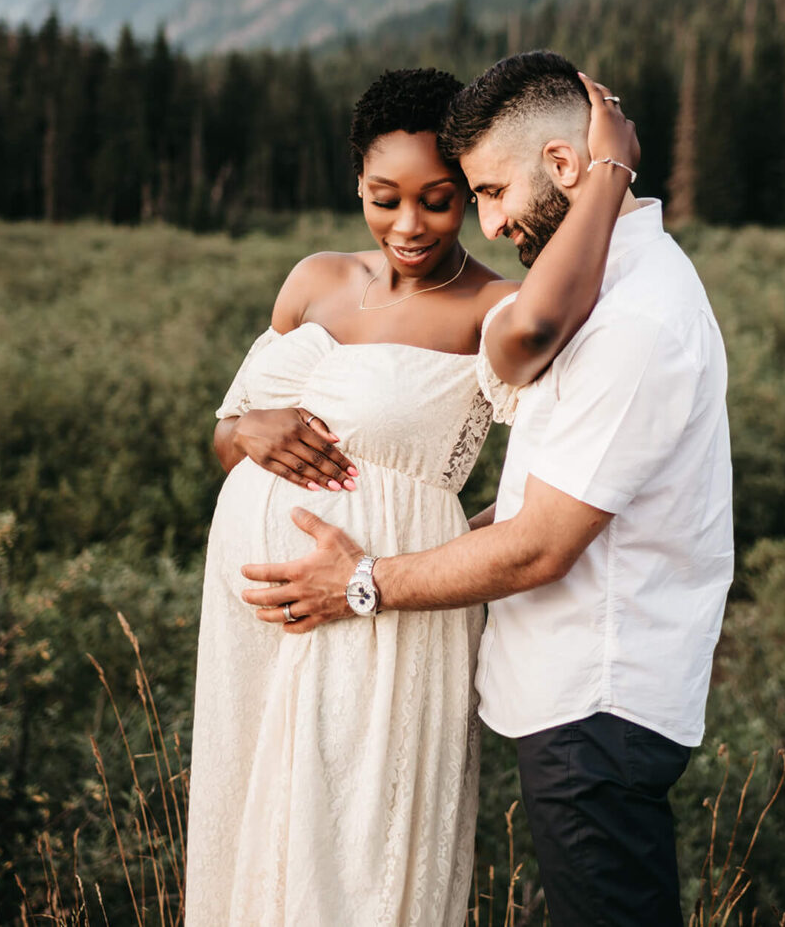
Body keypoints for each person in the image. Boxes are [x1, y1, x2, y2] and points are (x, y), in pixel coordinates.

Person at [242, 50, 733, 927]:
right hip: (573, 699)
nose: (491, 223)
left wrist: (360, 580)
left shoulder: (633, 320)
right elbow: (551, 492)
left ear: (562, 166)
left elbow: (544, 541)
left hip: (598, 701)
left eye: (487, 194)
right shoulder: (609, 290)